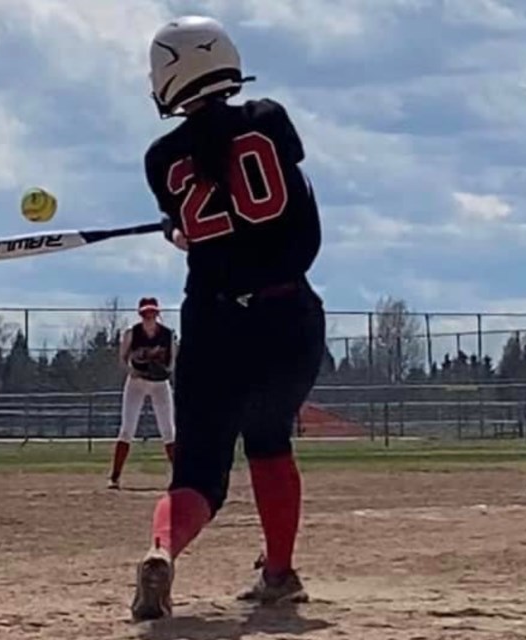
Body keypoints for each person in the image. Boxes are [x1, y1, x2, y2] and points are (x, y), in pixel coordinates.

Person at [129, 15, 326, 622]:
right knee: (269, 441)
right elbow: (270, 197)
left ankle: (162, 549)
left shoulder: (161, 159)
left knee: (199, 472)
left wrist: (181, 230)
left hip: (216, 324)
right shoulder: (268, 118)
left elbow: (203, 222)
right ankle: (278, 573)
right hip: (290, 317)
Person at [107, 297, 177, 490]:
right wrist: (132, 371)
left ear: (157, 314)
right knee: (127, 429)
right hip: (137, 383)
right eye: (146, 313)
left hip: (159, 384)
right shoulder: (132, 333)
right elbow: (122, 358)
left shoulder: (167, 334)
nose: (149, 317)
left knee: (168, 431)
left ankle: (180, 477)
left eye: (152, 313)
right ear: (141, 314)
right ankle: (115, 477)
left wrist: (164, 371)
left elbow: (171, 363)